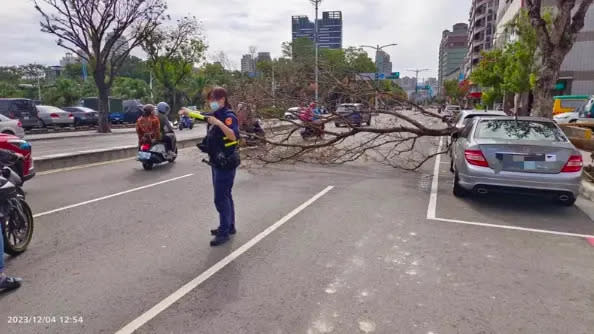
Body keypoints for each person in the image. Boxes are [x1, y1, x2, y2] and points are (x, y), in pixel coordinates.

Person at [179, 87, 240, 246]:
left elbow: (233, 136)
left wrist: (219, 123)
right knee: (227, 195)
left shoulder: (228, 116)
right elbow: (202, 116)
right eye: (209, 100)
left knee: (220, 199)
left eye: (213, 100)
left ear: (222, 100)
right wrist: (188, 112)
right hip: (217, 161)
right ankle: (229, 226)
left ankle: (224, 231)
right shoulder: (216, 114)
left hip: (225, 162)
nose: (211, 103)